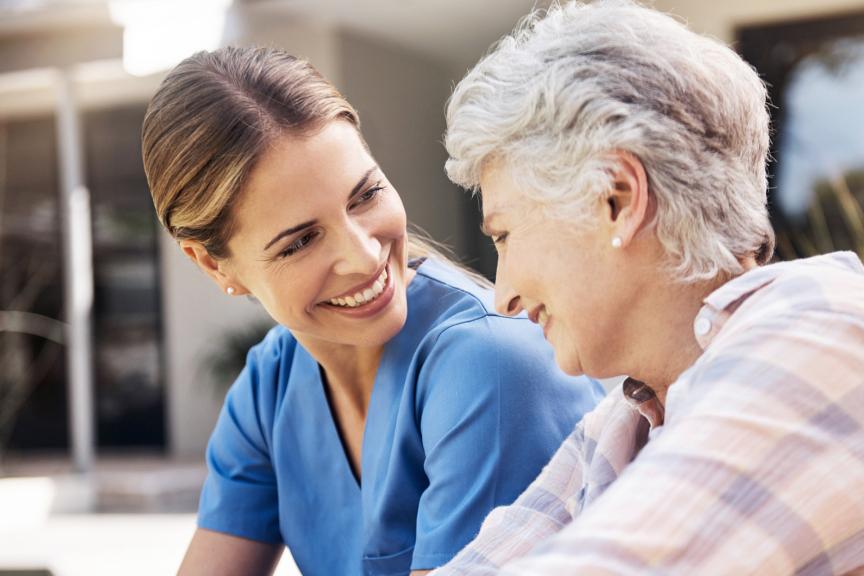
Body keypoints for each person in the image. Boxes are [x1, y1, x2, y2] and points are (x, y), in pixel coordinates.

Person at [434, 1, 864, 574]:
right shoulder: (624, 420)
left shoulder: (823, 334)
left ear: (618, 198)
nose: (502, 295)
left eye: (506, 235)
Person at [141, 46, 603, 576]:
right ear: (213, 265)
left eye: (366, 195)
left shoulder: (491, 366)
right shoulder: (271, 386)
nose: (364, 257)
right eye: (301, 242)